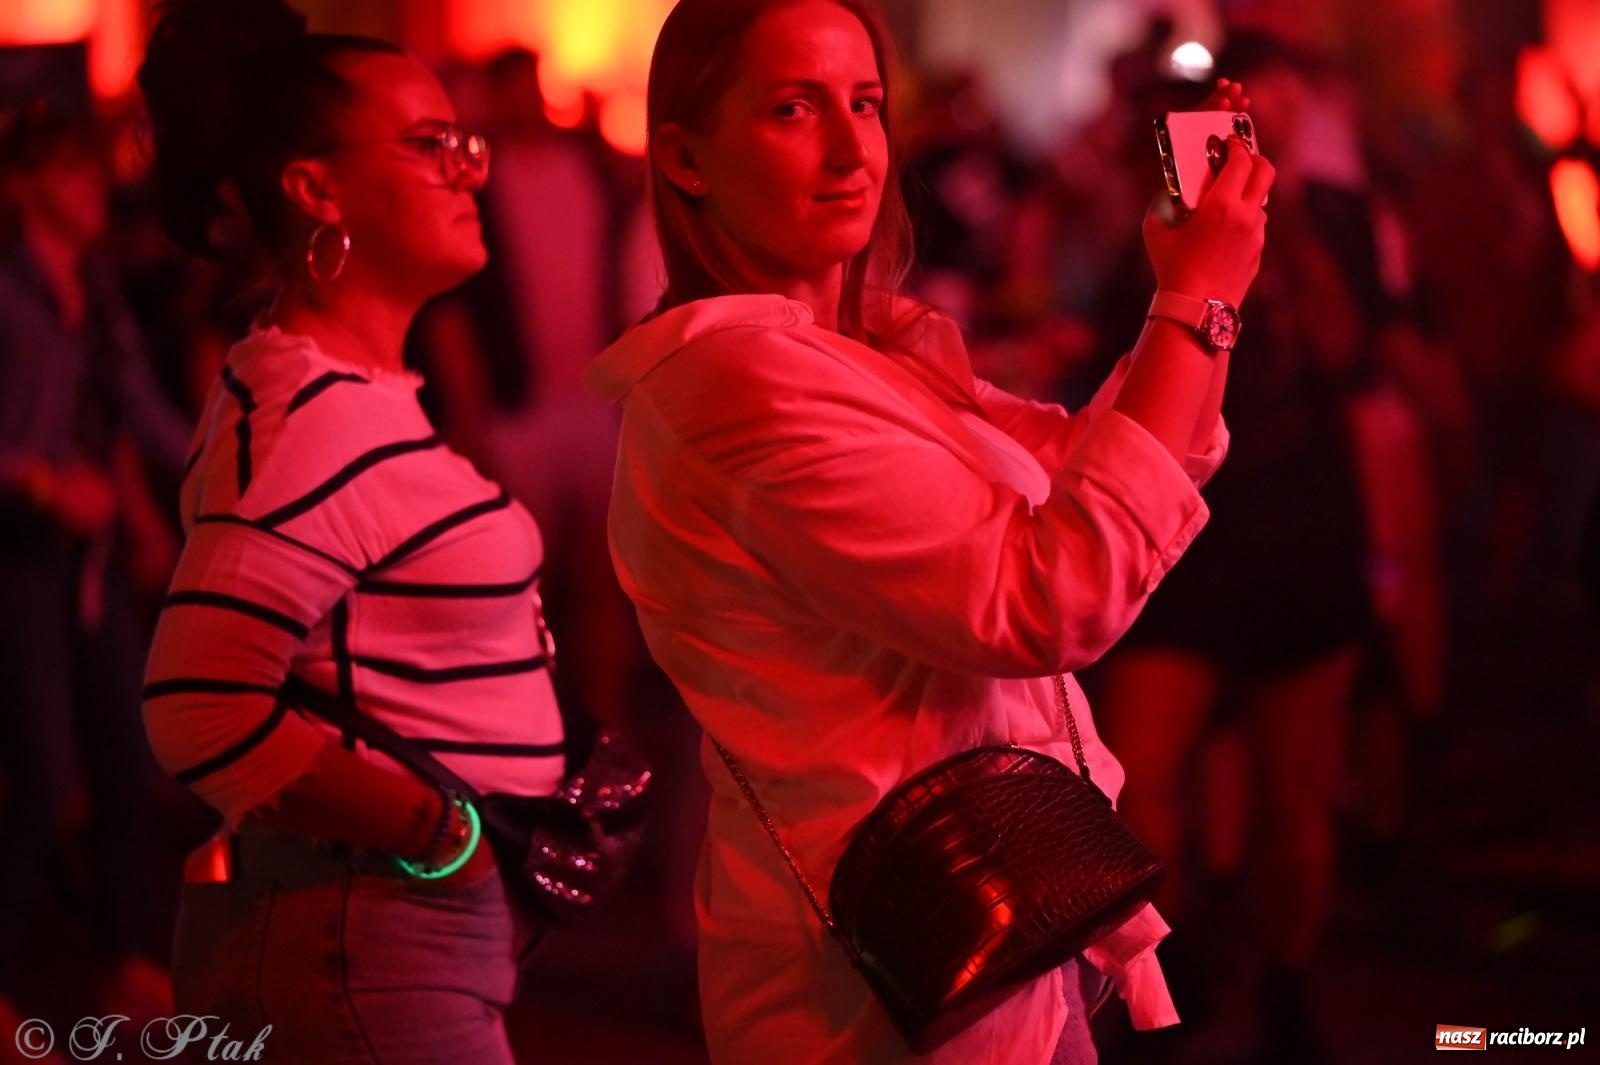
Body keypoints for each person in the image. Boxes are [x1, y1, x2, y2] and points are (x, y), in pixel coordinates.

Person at [586, 1, 1274, 1061]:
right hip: (881, 981)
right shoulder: (737, 380)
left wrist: (1200, 298)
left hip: (1005, 917)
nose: (849, 147)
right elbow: (1050, 596)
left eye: (865, 103)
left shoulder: (875, 347)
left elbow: (1101, 469)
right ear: (683, 157)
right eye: (792, 108)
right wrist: (1196, 298)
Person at [137, 2, 565, 1060]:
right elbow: (198, 703)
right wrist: (441, 832)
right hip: (360, 929)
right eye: (428, 145)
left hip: (386, 927)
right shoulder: (311, 420)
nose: (468, 172)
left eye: (464, 143)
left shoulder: (353, 399)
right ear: (315, 187)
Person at [0, 103, 189, 1046]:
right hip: (20, 556)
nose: (91, 188)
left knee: (124, 756)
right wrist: (40, 481)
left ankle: (124, 958)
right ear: (25, 184)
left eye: (90, 169)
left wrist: (216, 463)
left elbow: (134, 409)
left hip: (93, 557)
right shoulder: (10, 293)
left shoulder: (95, 289)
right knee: (41, 773)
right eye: (70, 171)